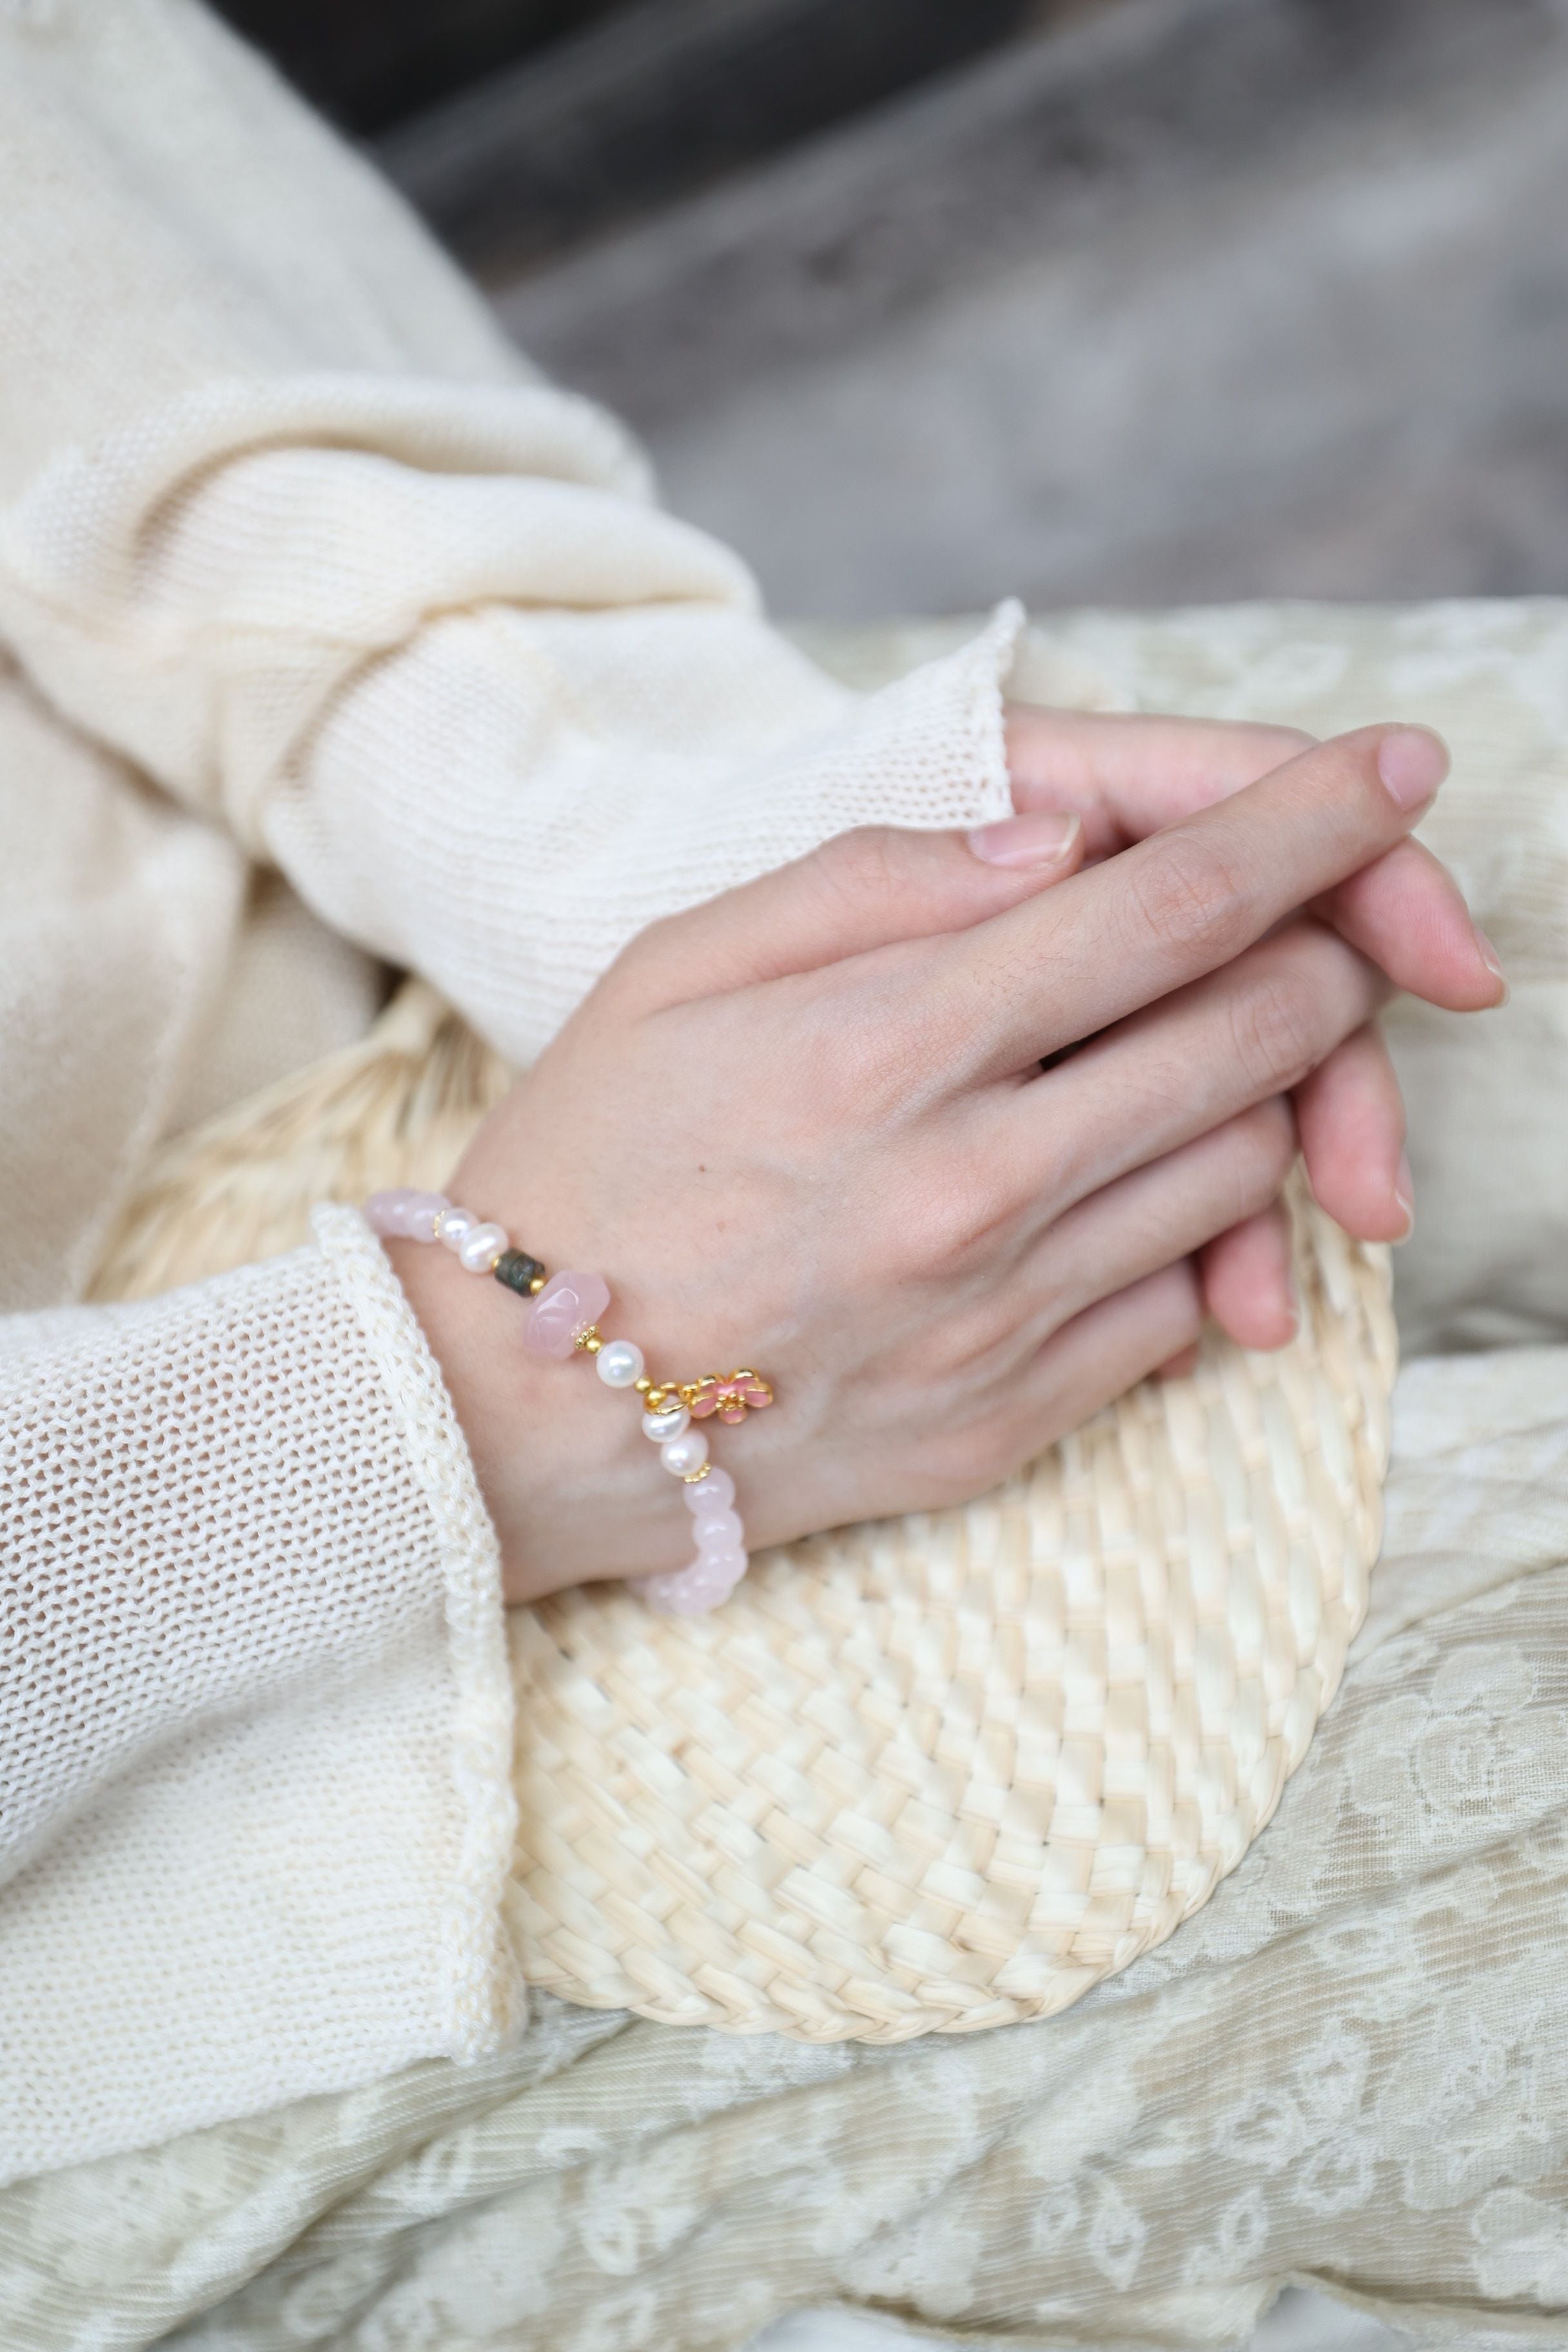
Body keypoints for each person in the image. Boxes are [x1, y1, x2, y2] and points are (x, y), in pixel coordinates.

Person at [0, 0, 1504, 2186]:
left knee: (1440, 950)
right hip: (163, 1768)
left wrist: (624, 828)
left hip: (442, 895)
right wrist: (454, 1416)